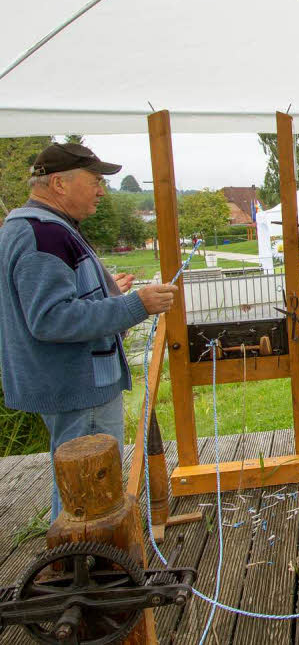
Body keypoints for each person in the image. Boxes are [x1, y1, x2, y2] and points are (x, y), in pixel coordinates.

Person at [0, 143, 178, 520]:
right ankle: (87, 569)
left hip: (67, 383)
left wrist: (103, 287)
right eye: (95, 181)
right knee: (89, 494)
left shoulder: (35, 228)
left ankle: (77, 563)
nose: (101, 190)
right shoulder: (44, 235)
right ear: (59, 184)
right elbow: (51, 319)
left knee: (74, 487)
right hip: (79, 386)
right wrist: (137, 305)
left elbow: (50, 299)